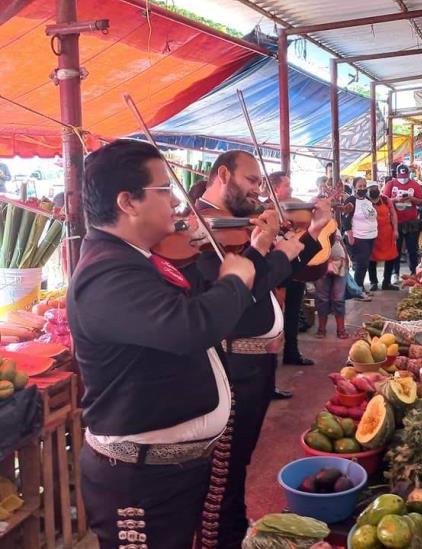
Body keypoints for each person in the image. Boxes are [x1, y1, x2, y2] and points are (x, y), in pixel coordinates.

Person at [68, 140, 257, 549]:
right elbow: (189, 327)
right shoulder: (108, 274)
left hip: (165, 474)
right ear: (128, 202)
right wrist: (235, 281)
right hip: (140, 481)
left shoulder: (135, 259)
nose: (175, 200)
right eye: (163, 189)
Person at [194, 150, 331, 548]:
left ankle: (233, 530)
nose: (259, 191)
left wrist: (310, 233)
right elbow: (246, 288)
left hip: (254, 364)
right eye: (252, 181)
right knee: (224, 470)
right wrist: (263, 248)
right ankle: (221, 537)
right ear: (224, 175)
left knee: (238, 464)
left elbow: (286, 270)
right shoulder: (201, 230)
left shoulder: (239, 227)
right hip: (231, 362)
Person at [270, 171, 314, 369]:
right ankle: (270, 361)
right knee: (275, 313)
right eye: (287, 185)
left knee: (294, 311)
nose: (291, 189)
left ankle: (292, 351)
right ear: (275, 188)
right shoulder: (266, 210)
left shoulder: (293, 209)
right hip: (275, 268)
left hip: (295, 265)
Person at [383, 164, 422, 278]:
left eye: (405, 176)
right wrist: (395, 199)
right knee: (395, 249)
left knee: (412, 249)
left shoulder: (415, 185)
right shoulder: (390, 184)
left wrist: (412, 199)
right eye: (401, 176)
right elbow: (384, 200)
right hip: (395, 222)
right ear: (396, 174)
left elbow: (421, 201)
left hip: (411, 222)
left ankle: (414, 272)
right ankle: (395, 272)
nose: (403, 179)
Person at [342, 176, 378, 293]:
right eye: (359, 186)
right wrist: (350, 235)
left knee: (364, 264)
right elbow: (345, 219)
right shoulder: (351, 201)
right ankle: (358, 290)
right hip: (358, 237)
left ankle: (360, 287)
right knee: (361, 264)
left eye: (364, 186)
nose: (362, 188)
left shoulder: (367, 200)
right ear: (354, 187)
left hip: (370, 237)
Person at [315, 231, 349, 338]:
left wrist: (346, 257)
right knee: (322, 298)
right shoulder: (314, 225)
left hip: (340, 264)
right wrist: (328, 261)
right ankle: (321, 329)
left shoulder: (334, 225)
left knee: (339, 298)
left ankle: (341, 330)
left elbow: (340, 242)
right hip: (321, 264)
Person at [367, 182, 399, 291]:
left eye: (375, 188)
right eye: (371, 188)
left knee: (390, 257)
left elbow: (393, 214)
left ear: (379, 188)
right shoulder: (365, 201)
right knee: (371, 258)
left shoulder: (386, 199)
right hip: (371, 233)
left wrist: (395, 230)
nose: (373, 190)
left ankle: (387, 282)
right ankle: (373, 282)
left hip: (387, 232)